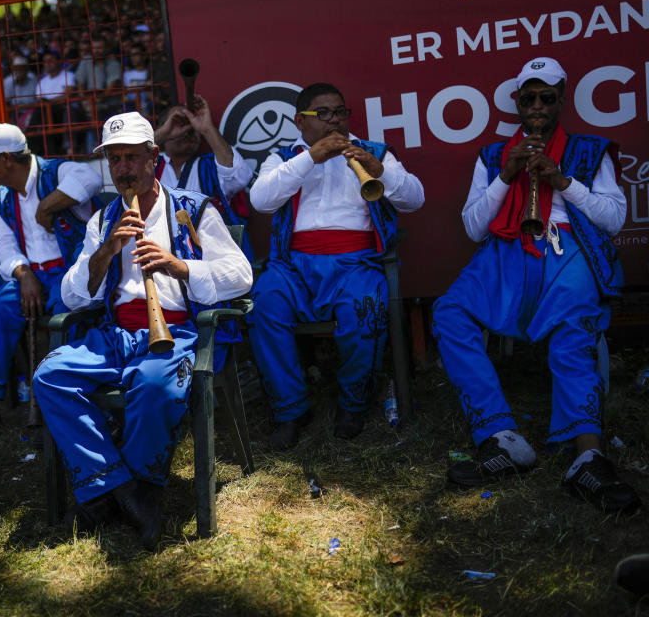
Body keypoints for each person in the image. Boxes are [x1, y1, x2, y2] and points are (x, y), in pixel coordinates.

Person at [33, 112, 252, 548]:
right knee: (49, 376)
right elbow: (75, 296)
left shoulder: (194, 209)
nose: (123, 169)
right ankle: (124, 492)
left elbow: (241, 274)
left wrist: (180, 266)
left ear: (154, 157)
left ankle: (128, 491)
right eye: (114, 160)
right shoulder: (102, 221)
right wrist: (107, 250)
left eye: (132, 157)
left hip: (176, 331)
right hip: (116, 335)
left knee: (155, 387)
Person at [432, 57, 640, 513]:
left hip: (568, 250)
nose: (539, 106)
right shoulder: (492, 156)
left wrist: (563, 182)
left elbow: (612, 218)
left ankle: (588, 455)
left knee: (575, 327)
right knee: (449, 312)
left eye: (548, 97)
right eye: (530, 98)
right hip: (506, 250)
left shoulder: (589, 149)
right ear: (518, 103)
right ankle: (501, 437)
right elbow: (472, 227)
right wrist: (507, 175)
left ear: (562, 99)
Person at [248, 82, 425, 449]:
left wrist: (382, 172)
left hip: (355, 262)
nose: (335, 121)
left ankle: (353, 403)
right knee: (263, 307)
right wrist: (310, 157)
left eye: (341, 113)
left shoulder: (374, 151)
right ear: (300, 121)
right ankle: (291, 409)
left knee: (364, 309)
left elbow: (414, 200)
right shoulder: (284, 157)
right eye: (323, 114)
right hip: (293, 265)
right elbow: (261, 200)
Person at [0, 123, 103, 424]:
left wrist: (47, 204)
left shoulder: (54, 172)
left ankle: (67, 393)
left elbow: (91, 178)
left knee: (62, 312)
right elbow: (4, 245)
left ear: (5, 158)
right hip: (33, 275)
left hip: (70, 271)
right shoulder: (3, 196)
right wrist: (23, 272)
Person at [153, 95, 255, 259]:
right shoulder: (150, 167)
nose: (188, 130)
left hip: (213, 260)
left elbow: (241, 176)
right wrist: (164, 132)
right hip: (164, 260)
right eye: (180, 123)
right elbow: (124, 166)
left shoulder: (211, 165)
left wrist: (207, 128)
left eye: (191, 125)